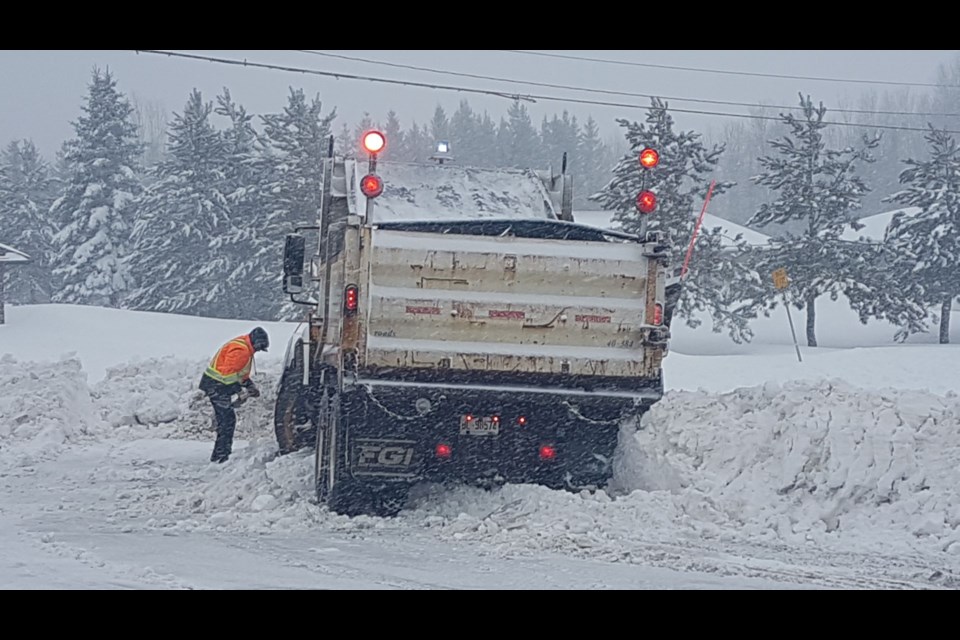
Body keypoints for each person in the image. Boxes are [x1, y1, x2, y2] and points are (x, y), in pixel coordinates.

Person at [199, 327, 269, 463]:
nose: (258, 352)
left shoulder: (243, 345)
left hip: (217, 384)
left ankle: (221, 454)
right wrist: (240, 391)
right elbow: (228, 376)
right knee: (227, 422)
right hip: (216, 386)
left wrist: (249, 385)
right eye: (259, 348)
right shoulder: (241, 351)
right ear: (257, 343)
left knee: (227, 421)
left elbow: (238, 372)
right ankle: (220, 457)